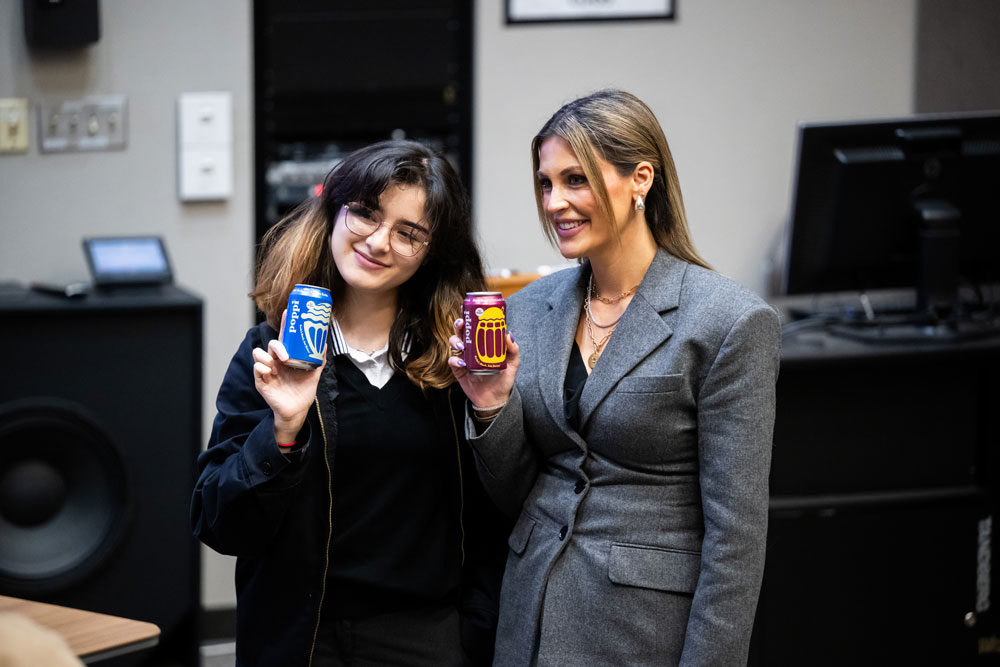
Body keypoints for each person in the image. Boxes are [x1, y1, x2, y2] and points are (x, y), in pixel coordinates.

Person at [449, 90, 780, 666]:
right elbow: (515, 493)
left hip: (644, 630)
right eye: (546, 184)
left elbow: (736, 542)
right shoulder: (527, 310)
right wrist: (490, 406)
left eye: (576, 180)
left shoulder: (728, 321)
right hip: (530, 615)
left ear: (640, 180)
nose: (555, 202)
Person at [191, 140, 508, 667]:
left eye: (410, 233)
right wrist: (282, 432)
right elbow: (217, 523)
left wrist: (471, 630)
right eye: (365, 213)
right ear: (334, 213)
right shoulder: (271, 351)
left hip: (427, 640)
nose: (378, 242)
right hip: (302, 639)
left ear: (434, 252)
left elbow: (493, 517)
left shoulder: (454, 363)